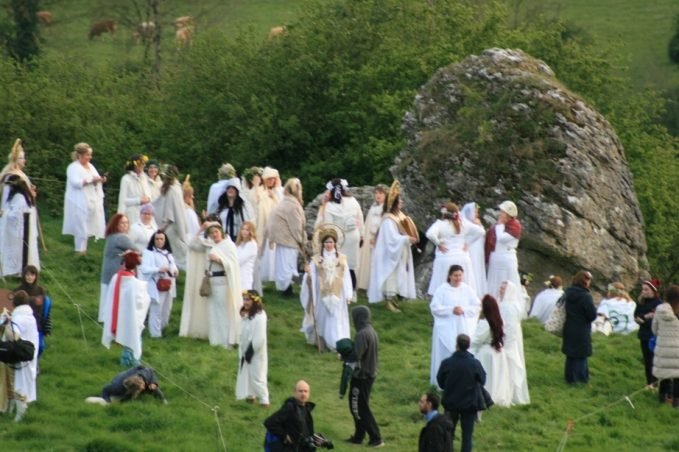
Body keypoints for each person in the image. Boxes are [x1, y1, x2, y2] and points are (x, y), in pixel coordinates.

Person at [367, 181, 417, 313]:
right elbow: (391, 239)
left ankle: (393, 298)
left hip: (397, 253)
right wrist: (406, 238)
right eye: (399, 201)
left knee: (397, 276)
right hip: (389, 254)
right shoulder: (389, 219)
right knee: (391, 277)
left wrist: (408, 237)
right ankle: (389, 301)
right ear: (394, 203)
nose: (401, 203)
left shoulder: (396, 217)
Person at [300, 226, 351, 352]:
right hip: (322, 292)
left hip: (338, 291)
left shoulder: (342, 258)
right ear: (323, 244)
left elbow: (347, 276)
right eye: (327, 242)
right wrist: (308, 274)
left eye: (331, 242)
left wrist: (348, 292)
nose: (329, 244)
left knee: (335, 316)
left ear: (335, 243)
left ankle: (336, 341)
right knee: (323, 315)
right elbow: (312, 274)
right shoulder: (317, 259)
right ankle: (321, 339)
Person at [191, 222, 242, 348]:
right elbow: (192, 245)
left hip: (222, 282)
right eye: (211, 233)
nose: (214, 235)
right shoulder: (210, 245)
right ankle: (215, 340)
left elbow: (233, 264)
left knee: (223, 311)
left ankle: (225, 341)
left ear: (221, 232)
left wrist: (218, 259)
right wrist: (201, 229)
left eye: (216, 232)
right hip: (211, 281)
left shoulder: (228, 245)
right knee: (213, 312)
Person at [436, 334, 490, 452]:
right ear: (468, 346)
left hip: (451, 403)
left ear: (457, 345)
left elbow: (440, 382)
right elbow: (483, 380)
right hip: (469, 404)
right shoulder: (475, 363)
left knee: (449, 434)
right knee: (467, 437)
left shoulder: (447, 363)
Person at [429, 265, 480, 387]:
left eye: (460, 275)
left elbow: (477, 306)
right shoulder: (442, 290)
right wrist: (451, 310)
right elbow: (435, 308)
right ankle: (443, 381)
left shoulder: (467, 289)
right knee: (445, 352)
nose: (458, 278)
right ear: (449, 276)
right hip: (445, 327)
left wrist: (463, 310)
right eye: (455, 275)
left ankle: (461, 381)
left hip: (462, 326)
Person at [315, 178, 364, 298]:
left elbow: (329, 225)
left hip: (339, 239)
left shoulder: (330, 206)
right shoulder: (353, 201)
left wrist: (328, 240)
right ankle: (352, 294)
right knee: (351, 267)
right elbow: (360, 218)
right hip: (353, 237)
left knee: (337, 266)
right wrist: (361, 235)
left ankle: (338, 292)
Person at [101, 252, 151, 367]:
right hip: (131, 314)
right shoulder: (135, 283)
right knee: (133, 336)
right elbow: (142, 301)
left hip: (119, 314)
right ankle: (131, 360)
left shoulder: (116, 277)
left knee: (125, 335)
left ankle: (125, 360)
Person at [426, 202, 484, 296]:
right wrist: (468, 243)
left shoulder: (440, 224)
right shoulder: (463, 224)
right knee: (464, 285)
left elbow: (429, 234)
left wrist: (439, 244)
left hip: (445, 257)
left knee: (443, 284)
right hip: (462, 257)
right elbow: (481, 231)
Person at [346, 305, 383, 447]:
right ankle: (358, 436)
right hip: (370, 374)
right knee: (360, 406)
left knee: (358, 407)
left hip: (362, 376)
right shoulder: (371, 331)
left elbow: (357, 355)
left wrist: (344, 357)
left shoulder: (362, 334)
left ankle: (376, 437)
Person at [62, 142, 106, 255]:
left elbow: (95, 178)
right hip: (78, 201)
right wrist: (91, 181)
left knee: (87, 226)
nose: (90, 157)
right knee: (80, 226)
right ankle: (79, 251)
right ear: (80, 155)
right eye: (88, 155)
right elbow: (76, 183)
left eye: (90, 155)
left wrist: (100, 180)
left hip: (90, 200)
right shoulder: (73, 167)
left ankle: (84, 252)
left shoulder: (91, 166)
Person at [264, 380, 333, 451]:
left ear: (309, 394)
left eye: (306, 391)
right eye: (300, 391)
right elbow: (269, 422)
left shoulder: (306, 408)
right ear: (295, 392)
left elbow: (304, 432)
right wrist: (284, 436)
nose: (303, 394)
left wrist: (319, 441)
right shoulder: (290, 407)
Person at [267, 178, 306, 297]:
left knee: (284, 266)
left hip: (282, 239)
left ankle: (286, 288)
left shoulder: (285, 203)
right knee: (288, 266)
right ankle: (287, 290)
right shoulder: (293, 205)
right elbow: (296, 226)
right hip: (288, 240)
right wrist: (301, 241)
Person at [4, 290, 39, 421]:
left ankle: (20, 413)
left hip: (20, 355)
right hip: (30, 354)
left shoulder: (18, 318)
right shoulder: (31, 317)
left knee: (18, 384)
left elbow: (14, 336)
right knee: (25, 382)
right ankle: (18, 409)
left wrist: (7, 324)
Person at [471, 295, 511, 407]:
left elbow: (476, 340)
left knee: (487, 377)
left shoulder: (485, 323)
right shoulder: (499, 320)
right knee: (496, 377)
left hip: (486, 352)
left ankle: (486, 398)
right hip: (497, 352)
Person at [140, 231, 178, 338]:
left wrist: (175, 271)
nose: (159, 241)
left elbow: (173, 265)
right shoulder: (149, 253)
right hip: (156, 285)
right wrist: (158, 269)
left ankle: (163, 329)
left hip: (169, 284)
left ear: (165, 240)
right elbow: (144, 269)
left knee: (166, 309)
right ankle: (155, 334)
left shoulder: (168, 253)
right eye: (157, 239)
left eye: (161, 239)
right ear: (153, 240)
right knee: (156, 310)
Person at [98, 214, 136, 323]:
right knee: (113, 298)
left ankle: (105, 320)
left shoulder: (111, 236)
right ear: (116, 224)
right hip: (115, 272)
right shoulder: (120, 237)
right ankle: (111, 321)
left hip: (107, 272)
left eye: (126, 223)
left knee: (106, 297)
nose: (125, 225)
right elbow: (136, 249)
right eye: (122, 223)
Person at [0, 174, 40, 277]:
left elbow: (14, 215)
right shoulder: (21, 196)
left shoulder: (19, 198)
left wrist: (4, 213)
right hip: (18, 229)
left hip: (19, 230)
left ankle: (17, 270)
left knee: (18, 250)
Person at [562, 270, 597, 384]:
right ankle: (581, 378)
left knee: (571, 354)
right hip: (581, 328)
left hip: (569, 326)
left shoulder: (567, 293)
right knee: (582, 354)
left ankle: (570, 378)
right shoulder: (585, 296)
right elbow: (591, 315)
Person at [236, 290, 269, 407]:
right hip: (245, 348)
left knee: (257, 375)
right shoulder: (247, 315)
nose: (245, 302)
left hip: (255, 351)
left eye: (248, 300)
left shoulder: (260, 316)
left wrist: (251, 350)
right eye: (244, 299)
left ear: (255, 301)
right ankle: (250, 395)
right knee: (246, 372)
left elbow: (260, 337)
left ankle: (264, 399)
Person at [499, 280, 530, 404]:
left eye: (503, 289)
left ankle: (509, 393)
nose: (500, 291)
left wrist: (505, 344)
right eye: (500, 288)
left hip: (509, 342)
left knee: (509, 365)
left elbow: (510, 327)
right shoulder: (508, 304)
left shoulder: (508, 307)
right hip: (507, 339)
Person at [152, 164, 188, 270]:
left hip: (171, 227)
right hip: (174, 225)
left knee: (175, 250)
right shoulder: (176, 188)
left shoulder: (173, 190)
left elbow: (170, 213)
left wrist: (163, 227)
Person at [485, 200, 521, 299]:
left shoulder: (515, 226)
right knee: (493, 282)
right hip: (496, 258)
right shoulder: (496, 227)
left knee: (509, 282)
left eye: (502, 212)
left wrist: (500, 225)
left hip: (507, 258)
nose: (500, 214)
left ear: (508, 214)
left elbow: (501, 238)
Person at [15, 266, 52, 357]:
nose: (29, 277)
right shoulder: (18, 290)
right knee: (25, 347)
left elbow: (45, 310)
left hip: (37, 324)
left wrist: (47, 328)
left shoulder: (40, 290)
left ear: (35, 276)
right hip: (23, 324)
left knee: (40, 346)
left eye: (32, 274)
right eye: (27, 275)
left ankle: (36, 365)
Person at [652, 284, 679, 405]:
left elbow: (654, 329)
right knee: (678, 377)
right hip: (677, 350)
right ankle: (676, 401)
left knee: (664, 375)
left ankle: (662, 399)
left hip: (663, 348)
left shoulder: (659, 310)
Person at [357, 184, 386, 291]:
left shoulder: (385, 209)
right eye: (376, 193)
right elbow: (368, 222)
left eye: (380, 193)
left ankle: (377, 288)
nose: (378, 195)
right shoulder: (373, 207)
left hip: (379, 240)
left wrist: (376, 237)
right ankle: (367, 285)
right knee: (369, 262)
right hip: (369, 239)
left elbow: (382, 224)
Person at [86, 365, 167, 405]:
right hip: (122, 378)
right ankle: (126, 400)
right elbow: (105, 389)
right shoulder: (117, 387)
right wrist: (106, 400)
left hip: (136, 371)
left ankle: (163, 400)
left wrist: (154, 383)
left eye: (142, 384)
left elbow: (150, 371)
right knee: (124, 398)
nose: (144, 387)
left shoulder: (143, 375)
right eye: (142, 386)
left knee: (153, 388)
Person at [634, 279, 663, 386]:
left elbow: (654, 321)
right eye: (642, 289)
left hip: (653, 335)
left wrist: (643, 319)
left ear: (653, 291)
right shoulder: (642, 302)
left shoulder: (658, 304)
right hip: (643, 335)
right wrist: (645, 317)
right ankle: (648, 382)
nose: (643, 292)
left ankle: (654, 383)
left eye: (646, 289)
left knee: (653, 360)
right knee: (647, 360)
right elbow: (636, 316)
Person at [258, 166, 283, 284]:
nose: (271, 182)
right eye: (269, 179)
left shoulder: (278, 192)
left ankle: (275, 274)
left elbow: (281, 205)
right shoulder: (260, 191)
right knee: (265, 249)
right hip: (264, 222)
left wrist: (274, 196)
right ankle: (265, 274)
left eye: (273, 179)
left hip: (276, 225)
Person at [461, 202, 487, 297]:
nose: (476, 214)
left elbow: (483, 235)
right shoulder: (465, 223)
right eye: (475, 212)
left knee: (478, 269)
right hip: (471, 250)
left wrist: (479, 225)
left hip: (478, 251)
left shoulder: (477, 223)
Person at [217, 177, 254, 242]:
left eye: (233, 188)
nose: (230, 190)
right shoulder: (222, 208)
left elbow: (247, 221)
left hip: (238, 238)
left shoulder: (242, 208)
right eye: (228, 188)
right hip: (225, 238)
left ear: (237, 191)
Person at [117, 153, 151, 225]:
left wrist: (148, 199)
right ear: (134, 165)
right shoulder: (126, 179)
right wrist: (138, 200)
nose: (143, 166)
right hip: (132, 214)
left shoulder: (144, 177)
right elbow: (123, 201)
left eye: (143, 164)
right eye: (141, 164)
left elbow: (149, 194)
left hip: (145, 214)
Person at [236, 221, 258, 292]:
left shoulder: (252, 244)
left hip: (245, 277)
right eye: (243, 229)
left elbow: (239, 260)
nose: (244, 232)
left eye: (247, 230)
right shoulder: (240, 244)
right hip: (237, 275)